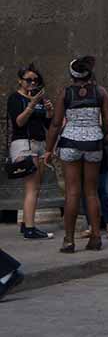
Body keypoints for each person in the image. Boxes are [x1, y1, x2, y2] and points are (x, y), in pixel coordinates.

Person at [43, 56, 108, 253]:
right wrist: (101, 132)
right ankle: (96, 238)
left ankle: (68, 240)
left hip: (70, 144)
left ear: (72, 75)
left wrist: (48, 149)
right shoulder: (100, 92)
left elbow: (56, 124)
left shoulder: (66, 93)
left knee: (72, 192)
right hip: (94, 144)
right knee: (91, 192)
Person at [7, 64, 54, 239]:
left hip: (39, 144)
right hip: (24, 145)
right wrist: (32, 105)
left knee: (35, 188)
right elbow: (19, 122)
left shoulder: (40, 99)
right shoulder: (15, 98)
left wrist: (48, 111)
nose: (32, 83)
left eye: (35, 80)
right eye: (28, 80)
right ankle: (29, 228)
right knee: (31, 188)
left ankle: (26, 223)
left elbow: (47, 125)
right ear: (20, 81)